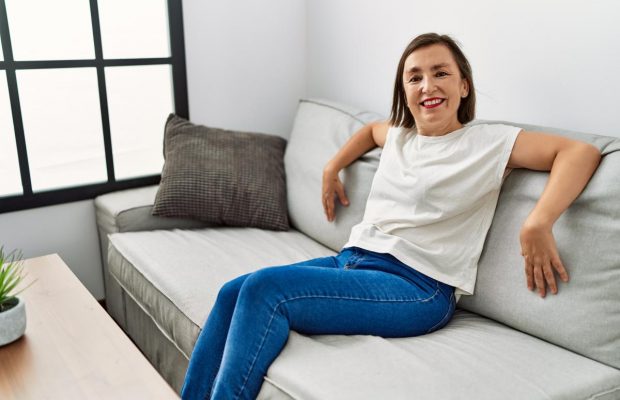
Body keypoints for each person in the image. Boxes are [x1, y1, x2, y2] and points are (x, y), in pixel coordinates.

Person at [180, 33, 601, 400]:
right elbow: (369, 132)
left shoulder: (488, 142)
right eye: (414, 77)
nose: (427, 85)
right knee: (232, 291)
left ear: (464, 85)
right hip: (353, 262)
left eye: (440, 73)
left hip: (418, 287)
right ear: (404, 90)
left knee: (264, 289)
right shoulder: (400, 135)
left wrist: (538, 222)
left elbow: (579, 152)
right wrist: (332, 166)